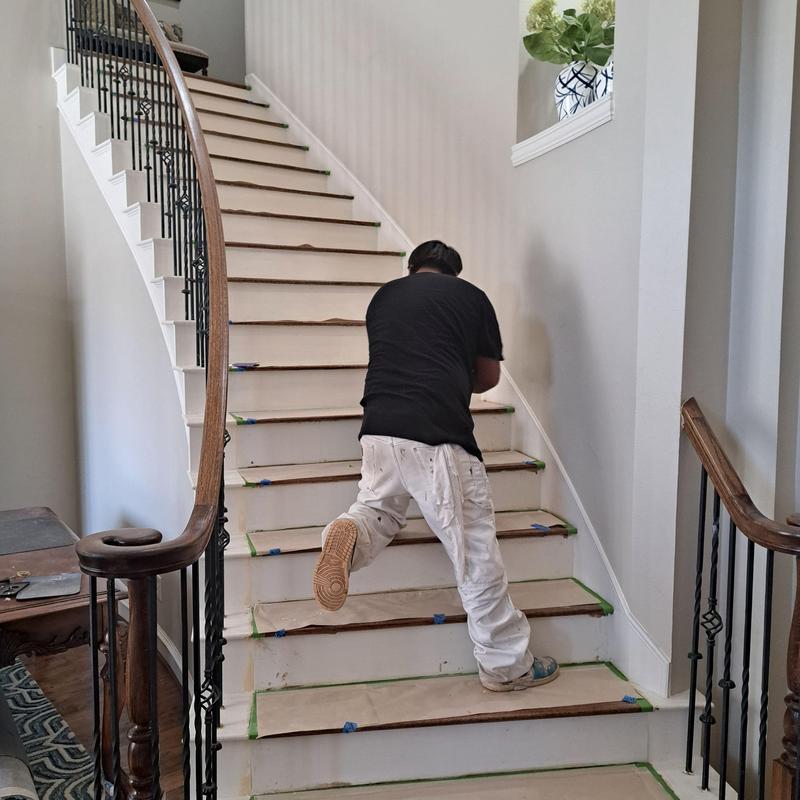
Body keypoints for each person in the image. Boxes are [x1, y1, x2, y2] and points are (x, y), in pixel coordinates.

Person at [311, 240, 559, 692]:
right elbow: (487, 378)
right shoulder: (472, 298)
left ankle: (345, 534)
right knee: (474, 552)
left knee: (379, 510)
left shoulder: (384, 296)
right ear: (454, 273)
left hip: (378, 427)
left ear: (412, 269)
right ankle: (507, 667)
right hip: (437, 435)